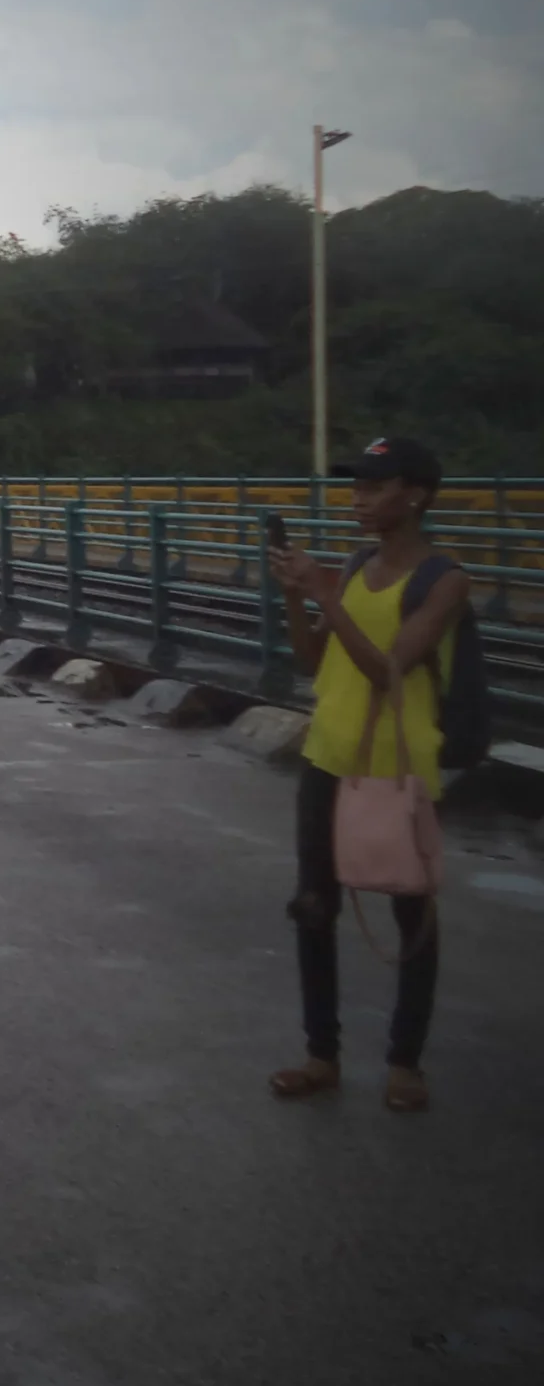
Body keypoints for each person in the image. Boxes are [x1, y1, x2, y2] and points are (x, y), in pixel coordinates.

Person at [265, 434, 469, 1114]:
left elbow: (390, 668)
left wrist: (328, 594)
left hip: (397, 769)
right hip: (329, 756)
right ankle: (321, 1054)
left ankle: (404, 1062)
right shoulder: (353, 566)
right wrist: (299, 595)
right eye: (357, 486)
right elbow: (307, 661)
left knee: (412, 910)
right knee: (313, 907)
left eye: (376, 486)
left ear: (415, 495)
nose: (359, 499)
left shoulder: (444, 579)